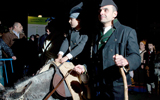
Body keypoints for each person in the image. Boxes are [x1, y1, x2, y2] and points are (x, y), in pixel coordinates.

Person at [74, 0, 141, 99]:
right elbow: (94, 60)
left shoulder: (127, 32)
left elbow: (136, 57)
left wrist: (126, 61)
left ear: (115, 14)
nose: (101, 13)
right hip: (97, 85)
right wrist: (84, 67)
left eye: (106, 10)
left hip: (117, 85)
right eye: (100, 10)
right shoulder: (96, 35)